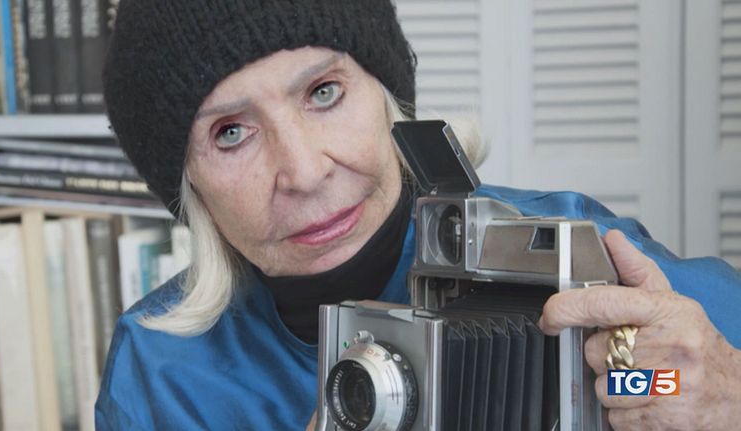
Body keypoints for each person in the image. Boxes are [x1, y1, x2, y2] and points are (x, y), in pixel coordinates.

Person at [97, 1, 741, 430]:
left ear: (388, 98)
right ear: (188, 187)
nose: (304, 172)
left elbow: (632, 387)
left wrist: (704, 396)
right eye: (231, 133)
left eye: (324, 92)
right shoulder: (161, 370)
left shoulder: (577, 250)